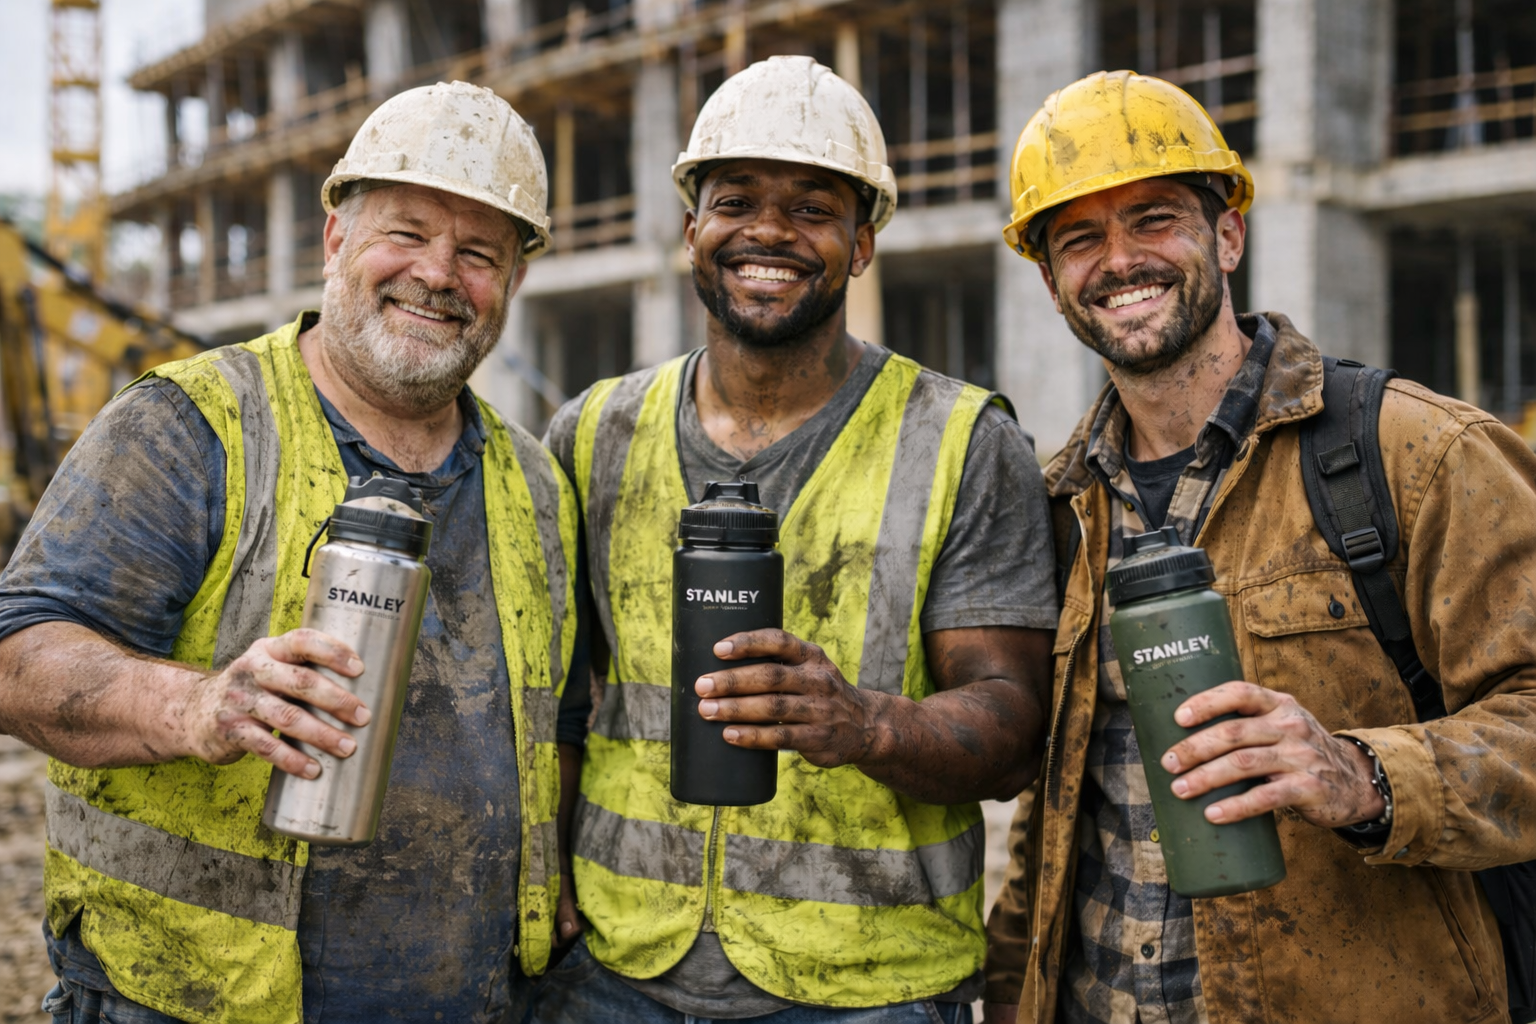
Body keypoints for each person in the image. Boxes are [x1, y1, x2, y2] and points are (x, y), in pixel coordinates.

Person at [0, 81, 586, 1024]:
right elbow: (19, 652)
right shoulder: (192, 426)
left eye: (478, 253)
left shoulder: (537, 484)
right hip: (192, 1000)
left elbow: (556, 720)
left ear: (513, 283)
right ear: (336, 243)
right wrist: (195, 704)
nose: (438, 274)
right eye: (406, 232)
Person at [981, 70, 1536, 1024]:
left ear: (1228, 233)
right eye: (1080, 238)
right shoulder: (1064, 507)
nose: (1120, 259)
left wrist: (1362, 775)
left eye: (1154, 218)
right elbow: (1065, 805)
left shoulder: (1414, 453)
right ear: (1050, 279)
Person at [532, 56, 1058, 1023]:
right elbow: (561, 703)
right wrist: (541, 879)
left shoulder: (962, 441)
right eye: (736, 201)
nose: (768, 231)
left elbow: (1016, 728)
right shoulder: (593, 434)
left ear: (862, 243)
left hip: (868, 985)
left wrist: (866, 726)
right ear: (692, 229)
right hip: (615, 969)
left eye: (813, 209)